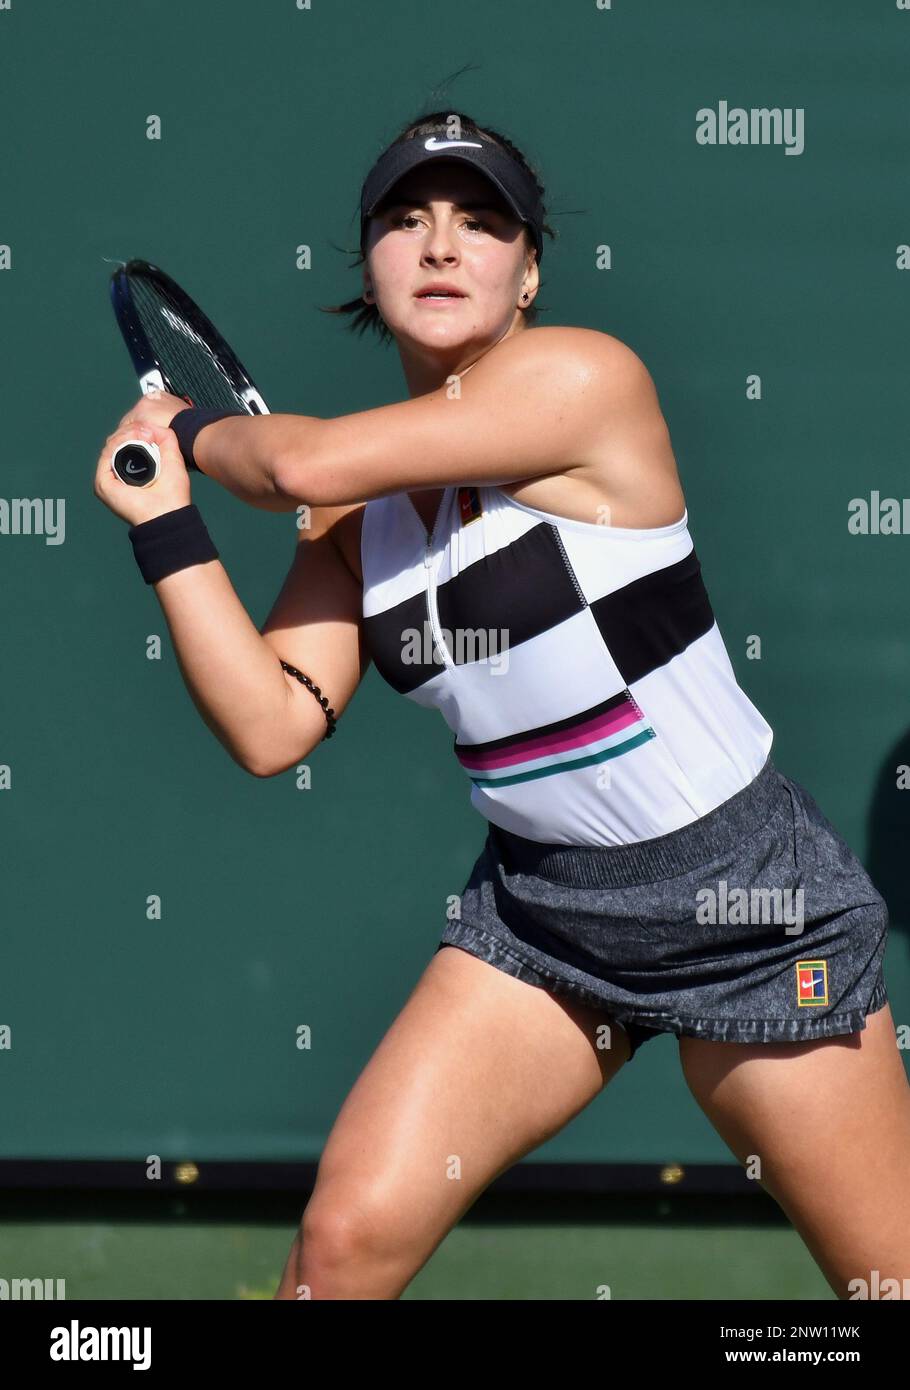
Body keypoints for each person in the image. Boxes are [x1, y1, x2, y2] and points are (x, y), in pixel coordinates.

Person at [94, 110, 910, 1302]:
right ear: (367, 265)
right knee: (339, 1249)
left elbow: (299, 467)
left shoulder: (584, 379)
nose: (439, 245)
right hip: (541, 920)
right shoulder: (359, 520)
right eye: (406, 220)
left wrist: (190, 430)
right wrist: (168, 531)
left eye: (480, 224)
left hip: (750, 908)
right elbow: (271, 723)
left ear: (528, 273)